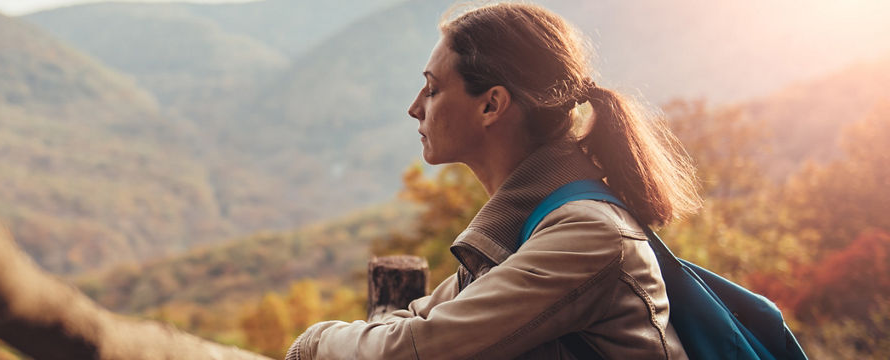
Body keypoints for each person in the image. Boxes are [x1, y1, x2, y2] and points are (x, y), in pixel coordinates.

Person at [287, 3, 702, 359]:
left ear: (491, 105)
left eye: (432, 90)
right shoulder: (529, 230)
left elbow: (415, 347)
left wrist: (313, 343)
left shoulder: (586, 234)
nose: (414, 108)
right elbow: (422, 319)